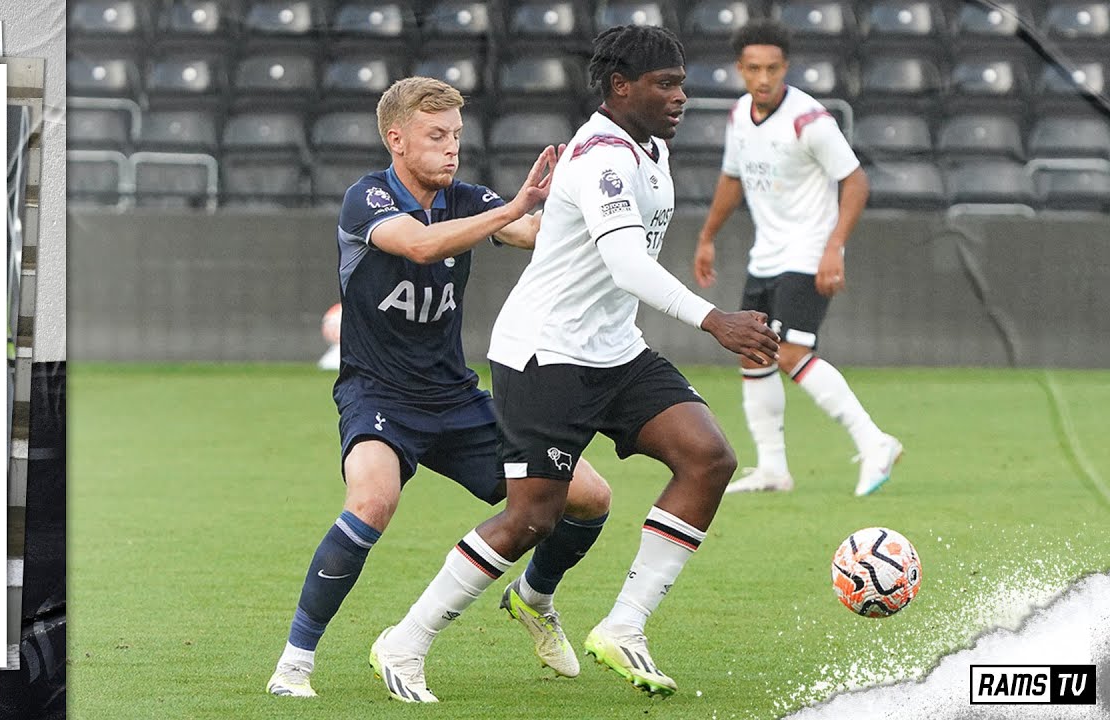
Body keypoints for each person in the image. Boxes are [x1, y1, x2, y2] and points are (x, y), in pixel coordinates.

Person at [368, 26, 781, 702]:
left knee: (708, 458)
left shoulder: (651, 147)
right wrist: (715, 320)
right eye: (664, 84)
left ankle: (623, 625)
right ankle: (405, 641)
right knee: (532, 518)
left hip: (615, 349)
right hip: (546, 354)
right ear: (621, 87)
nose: (681, 96)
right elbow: (625, 262)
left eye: (681, 82)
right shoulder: (600, 158)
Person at [267, 77, 613, 698]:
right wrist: (510, 209)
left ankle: (535, 599)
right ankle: (294, 663)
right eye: (437, 135)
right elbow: (421, 246)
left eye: (456, 134)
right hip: (378, 396)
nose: (452, 147)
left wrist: (593, 215)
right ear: (397, 140)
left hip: (456, 398)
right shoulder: (364, 199)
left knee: (588, 495)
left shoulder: (467, 198)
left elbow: (535, 237)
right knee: (372, 501)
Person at [692, 19, 903, 497]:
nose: (762, 78)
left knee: (789, 353)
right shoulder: (739, 115)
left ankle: (875, 441)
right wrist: (707, 236)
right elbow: (731, 178)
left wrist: (834, 247)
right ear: (739, 70)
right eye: (752, 69)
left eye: (771, 68)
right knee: (753, 354)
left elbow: (856, 181)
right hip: (765, 253)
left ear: (785, 67)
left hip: (808, 250)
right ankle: (772, 470)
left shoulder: (810, 120)